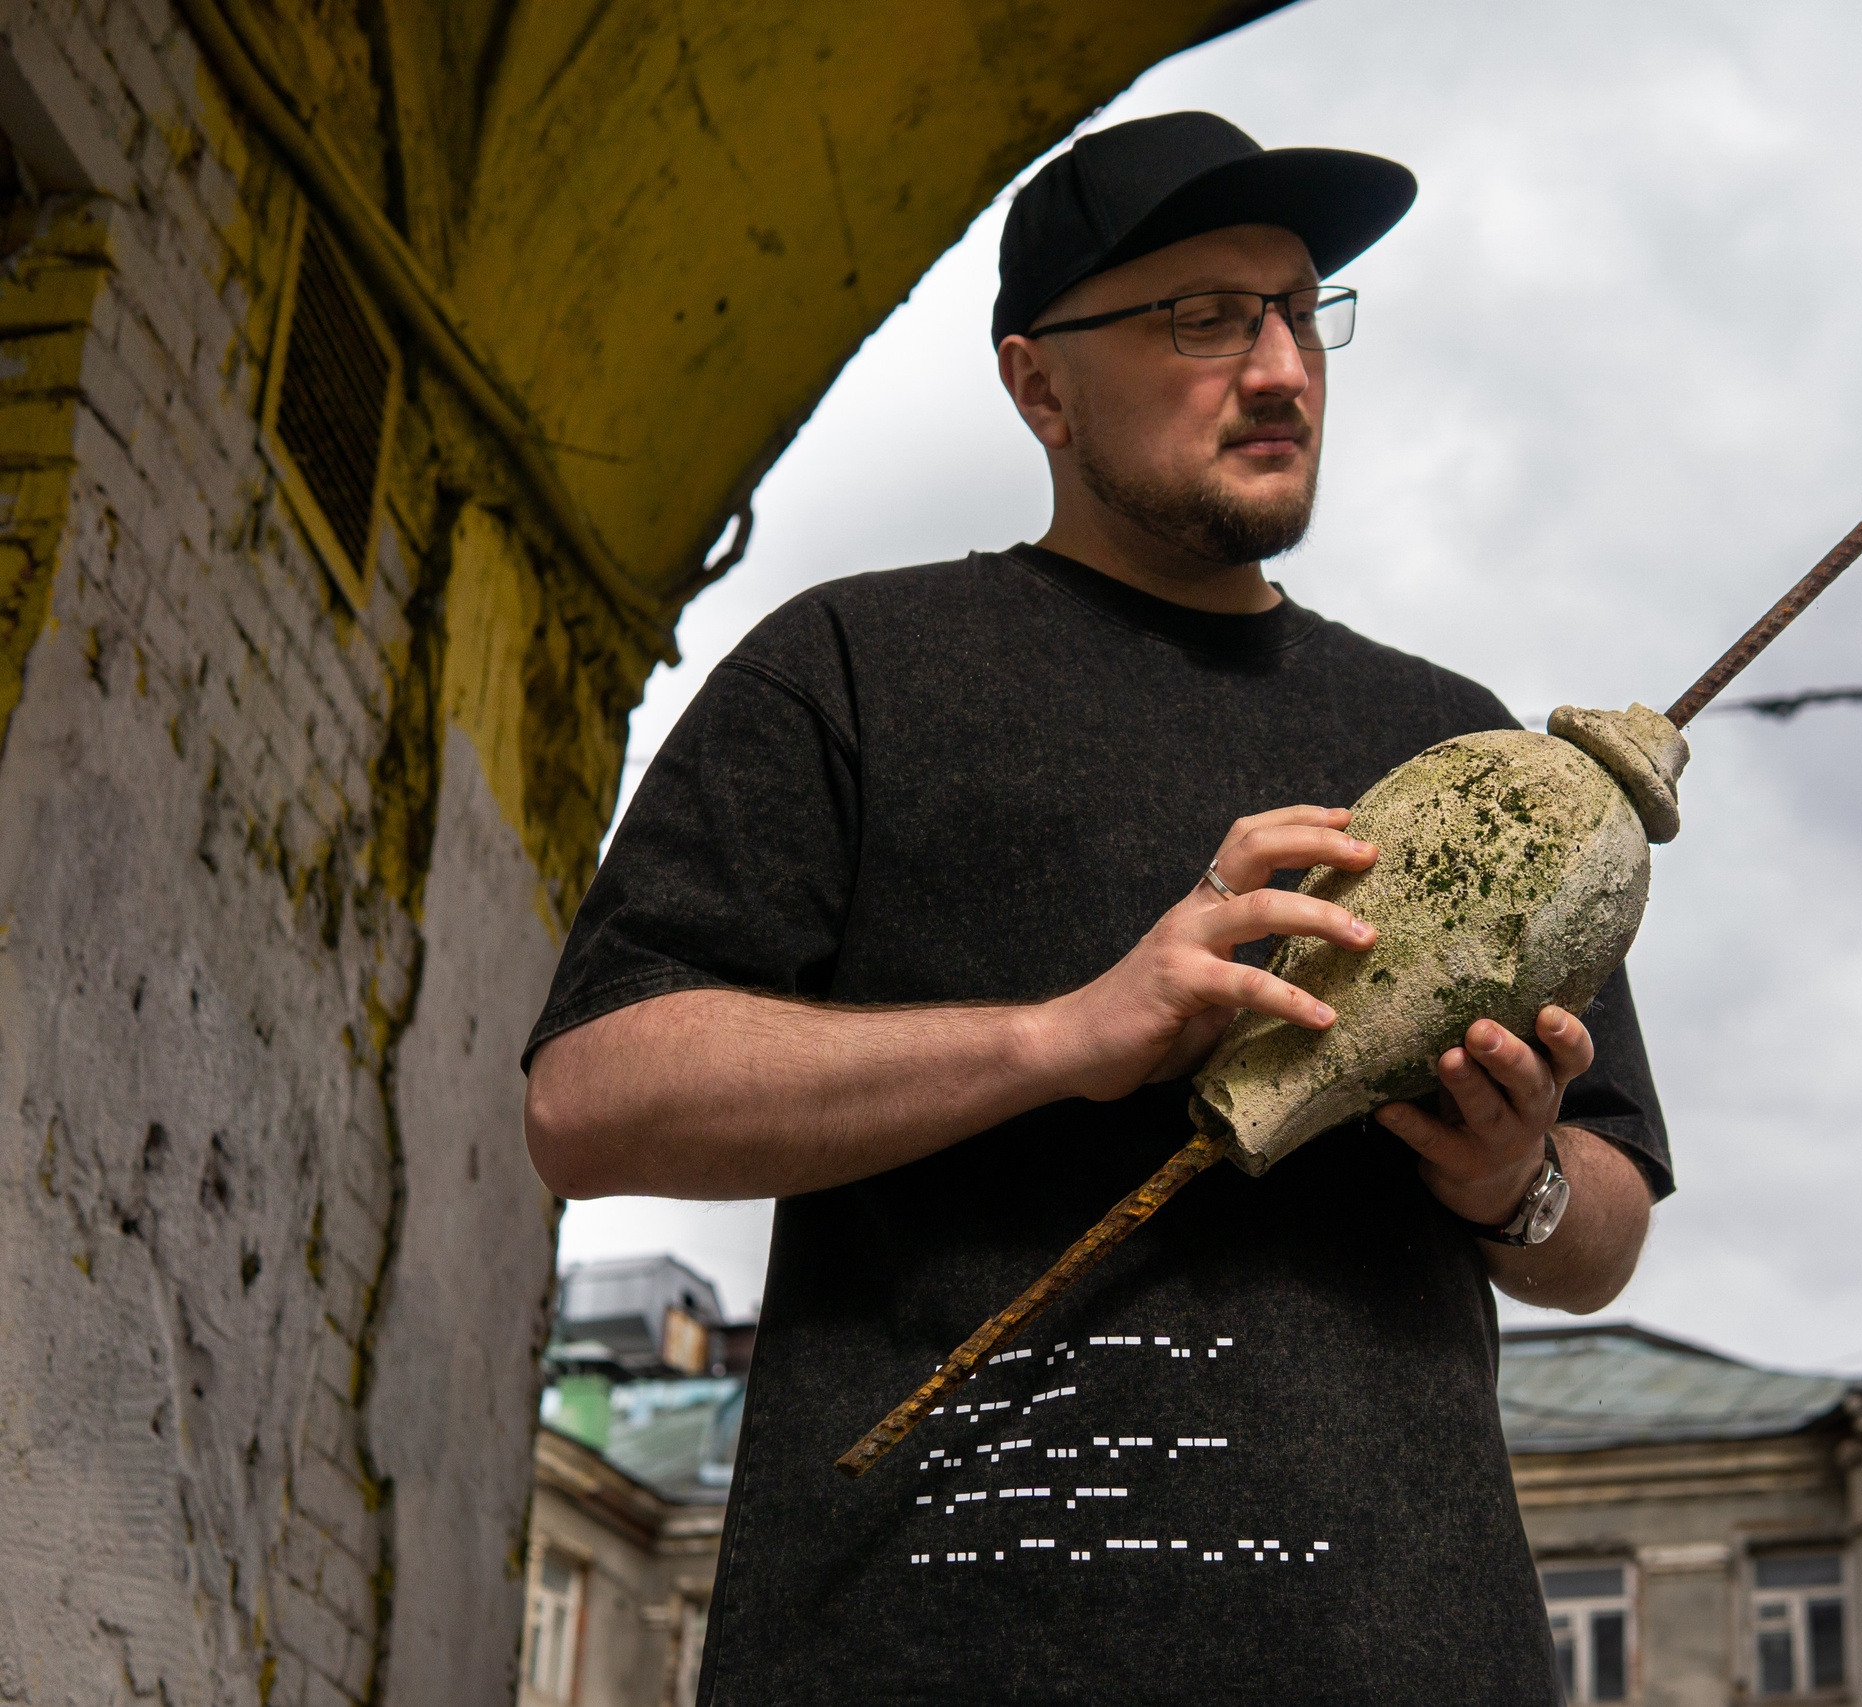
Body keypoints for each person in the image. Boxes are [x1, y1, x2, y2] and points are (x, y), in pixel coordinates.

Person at [522, 110, 1673, 1706]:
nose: (1280, 368)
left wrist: (1512, 1178)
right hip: (925, 1658)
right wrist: (1068, 1036)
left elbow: (1604, 1225)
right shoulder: (853, 669)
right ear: (1036, 380)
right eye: (1204, 318)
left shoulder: (1461, 755)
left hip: (1406, 1661)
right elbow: (592, 1102)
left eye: (1299, 310)